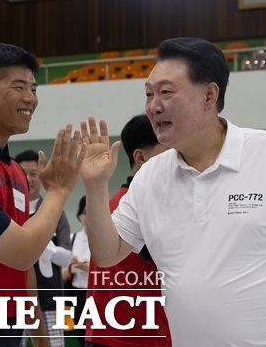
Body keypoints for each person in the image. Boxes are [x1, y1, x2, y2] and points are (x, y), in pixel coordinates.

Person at [79, 37, 266, 346]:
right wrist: (96, 186)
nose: (154, 106)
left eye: (166, 92)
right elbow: (107, 253)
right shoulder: (150, 176)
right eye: (149, 94)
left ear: (209, 94)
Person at [0, 42, 85, 347]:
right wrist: (60, 189)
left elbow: (24, 265)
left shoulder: (16, 173)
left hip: (13, 324)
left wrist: (40, 338)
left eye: (34, 89)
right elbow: (20, 251)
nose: (30, 99)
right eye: (19, 87)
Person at [84, 114, 171, 347]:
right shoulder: (138, 205)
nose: (177, 161)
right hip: (135, 337)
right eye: (169, 152)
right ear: (141, 157)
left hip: (108, 334)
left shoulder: (111, 203)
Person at [16, 149, 73, 347]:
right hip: (15, 301)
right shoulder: (9, 210)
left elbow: (67, 258)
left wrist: (43, 247)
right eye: (24, 173)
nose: (29, 179)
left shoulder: (55, 211)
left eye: (34, 173)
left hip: (50, 300)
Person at [62, 196, 91, 346]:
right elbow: (62, 274)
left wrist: (90, 267)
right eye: (85, 212)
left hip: (99, 292)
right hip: (78, 293)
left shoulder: (104, 238)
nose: (88, 216)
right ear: (79, 214)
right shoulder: (73, 238)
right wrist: (71, 264)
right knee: (81, 333)